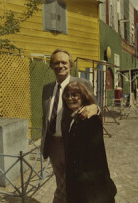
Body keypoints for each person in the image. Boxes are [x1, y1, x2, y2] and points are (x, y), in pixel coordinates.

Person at [41, 49, 99, 202]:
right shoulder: (47, 88)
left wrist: (95, 108)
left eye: (63, 62)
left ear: (70, 65)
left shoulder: (82, 83)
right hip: (53, 144)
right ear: (51, 66)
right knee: (60, 180)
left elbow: (94, 107)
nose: (60, 65)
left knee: (72, 182)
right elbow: (45, 117)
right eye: (56, 63)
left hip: (73, 144)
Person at [62, 82, 117, 203]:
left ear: (83, 96)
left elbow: (94, 156)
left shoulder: (89, 118)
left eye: (74, 94)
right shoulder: (74, 115)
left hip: (88, 184)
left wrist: (83, 185)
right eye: (67, 95)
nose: (70, 98)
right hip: (77, 178)